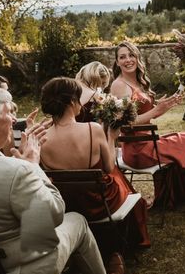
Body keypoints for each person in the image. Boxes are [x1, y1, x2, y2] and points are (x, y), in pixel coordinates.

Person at [0, 86, 125, 274]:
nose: (13, 120)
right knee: (77, 221)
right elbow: (54, 213)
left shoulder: (10, 168)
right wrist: (33, 166)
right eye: (9, 112)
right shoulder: (16, 170)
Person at [40, 77, 150, 248]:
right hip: (101, 204)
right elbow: (109, 167)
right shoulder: (93, 129)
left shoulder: (41, 139)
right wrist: (112, 137)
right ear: (71, 101)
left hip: (68, 206)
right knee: (116, 177)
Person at [110, 41, 185, 208]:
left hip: (149, 142)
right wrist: (156, 110)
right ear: (117, 62)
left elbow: (145, 116)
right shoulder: (119, 85)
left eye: (131, 55)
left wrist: (165, 106)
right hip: (137, 150)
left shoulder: (137, 83)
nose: (128, 60)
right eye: (122, 57)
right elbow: (127, 121)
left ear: (137, 57)